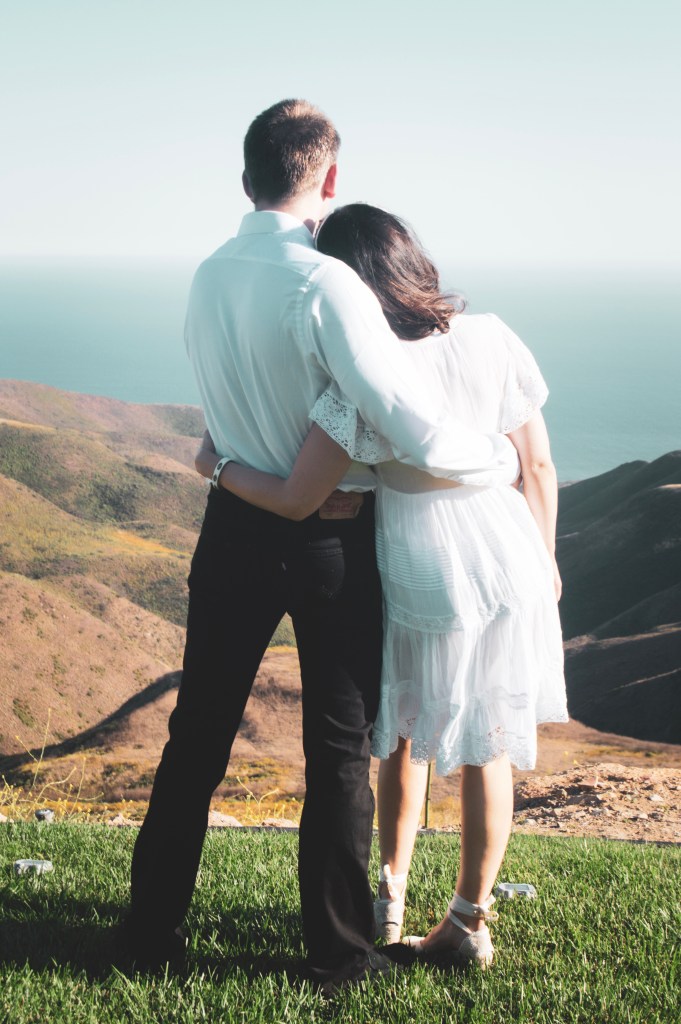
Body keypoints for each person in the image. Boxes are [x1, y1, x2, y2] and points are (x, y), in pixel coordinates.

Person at [125, 102, 520, 989]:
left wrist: (224, 463)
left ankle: (148, 935)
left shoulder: (203, 275)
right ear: (328, 179)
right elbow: (404, 418)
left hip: (231, 527)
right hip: (328, 539)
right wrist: (489, 457)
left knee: (196, 736)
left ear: (244, 178)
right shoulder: (324, 282)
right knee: (339, 749)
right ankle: (339, 954)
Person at [195, 202, 568, 970]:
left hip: (415, 553)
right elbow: (536, 465)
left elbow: (323, 482)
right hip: (504, 546)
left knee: (400, 729)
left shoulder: (362, 368)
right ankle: (467, 919)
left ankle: (388, 904)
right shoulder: (494, 337)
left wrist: (217, 465)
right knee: (486, 740)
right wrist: (545, 558)